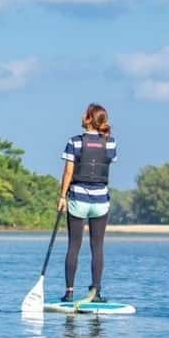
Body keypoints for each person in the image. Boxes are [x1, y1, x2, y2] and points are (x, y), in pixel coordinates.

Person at [57, 103, 117, 303]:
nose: (82, 116)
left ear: (90, 119)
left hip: (78, 199)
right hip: (100, 201)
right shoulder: (110, 143)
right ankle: (96, 292)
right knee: (97, 247)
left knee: (74, 246)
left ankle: (69, 292)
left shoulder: (74, 142)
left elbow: (68, 172)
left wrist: (62, 197)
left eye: (86, 114)